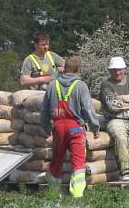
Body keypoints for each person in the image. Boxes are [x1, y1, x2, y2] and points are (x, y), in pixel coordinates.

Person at [40, 56, 100, 198]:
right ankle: (77, 194)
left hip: (58, 127)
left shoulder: (52, 85)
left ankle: (53, 193)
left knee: (57, 159)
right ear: (78, 70)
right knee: (78, 161)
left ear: (64, 68)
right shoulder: (81, 86)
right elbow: (88, 109)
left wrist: (46, 126)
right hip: (75, 128)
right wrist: (95, 127)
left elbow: (44, 110)